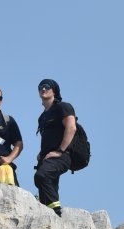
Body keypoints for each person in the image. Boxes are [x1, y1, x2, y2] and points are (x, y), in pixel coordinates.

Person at [34, 79, 76, 216]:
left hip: (62, 155)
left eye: (47, 87)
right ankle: (49, 214)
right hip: (47, 157)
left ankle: (56, 211)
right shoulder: (42, 117)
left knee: (41, 176)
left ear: (54, 90)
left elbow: (71, 128)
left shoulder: (63, 107)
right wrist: (41, 154)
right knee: (47, 184)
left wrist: (60, 151)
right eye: (41, 87)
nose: (43, 89)